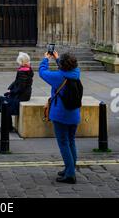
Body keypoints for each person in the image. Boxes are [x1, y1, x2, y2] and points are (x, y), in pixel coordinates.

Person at [39, 51, 81, 184]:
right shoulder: (76, 73)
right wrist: (58, 59)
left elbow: (42, 73)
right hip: (74, 113)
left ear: (63, 65)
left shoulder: (58, 77)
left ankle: (70, 174)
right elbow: (66, 70)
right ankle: (70, 168)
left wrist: (45, 59)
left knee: (63, 142)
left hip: (61, 115)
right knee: (71, 141)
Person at [1, 52, 34, 132]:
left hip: (22, 95)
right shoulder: (27, 69)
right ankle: (7, 126)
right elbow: (17, 81)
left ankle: (7, 127)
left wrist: (11, 92)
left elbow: (21, 87)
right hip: (24, 93)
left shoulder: (23, 71)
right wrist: (11, 87)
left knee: (5, 104)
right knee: (5, 101)